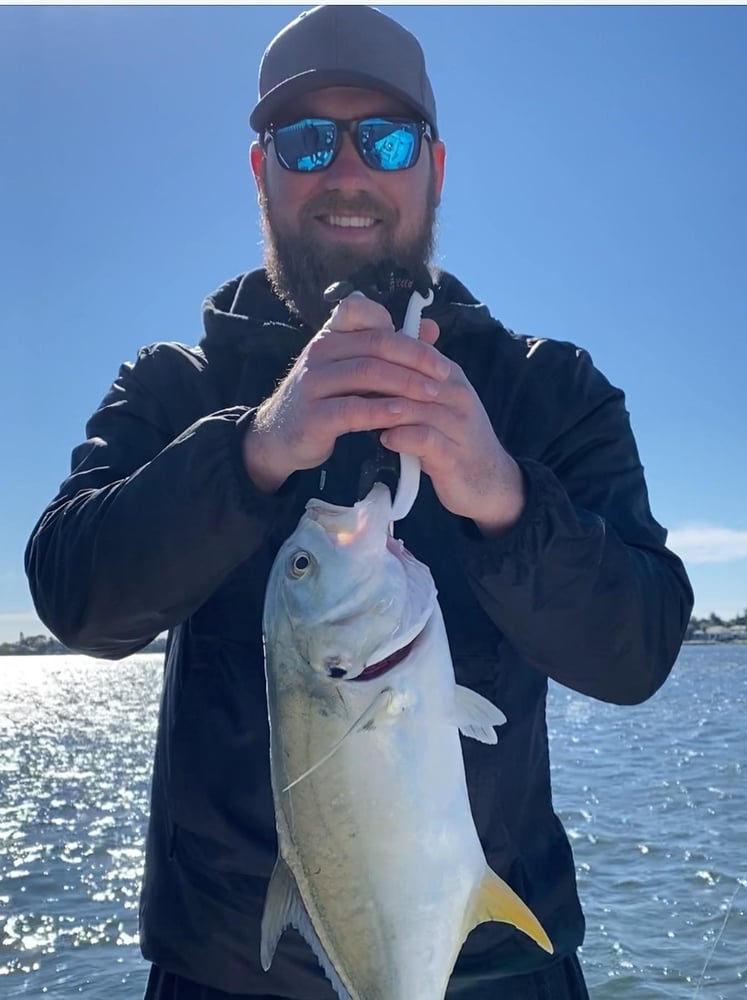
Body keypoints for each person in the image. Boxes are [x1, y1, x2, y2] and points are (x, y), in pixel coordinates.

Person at [25, 6, 693, 999]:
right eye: (304, 141)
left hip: (497, 962)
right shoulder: (173, 389)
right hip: (225, 970)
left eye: (382, 138)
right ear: (261, 172)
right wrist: (251, 451)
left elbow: (636, 650)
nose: (345, 172)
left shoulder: (545, 392)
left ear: (433, 166)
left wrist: (504, 496)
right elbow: (74, 595)